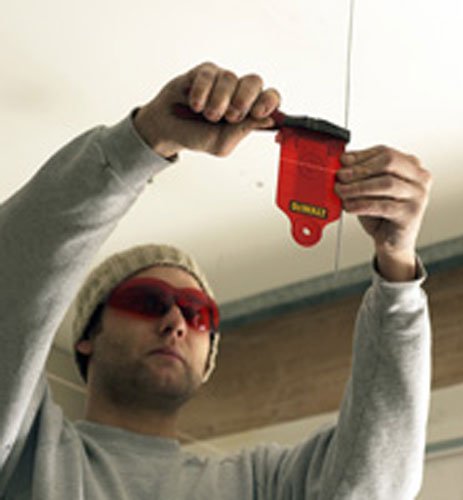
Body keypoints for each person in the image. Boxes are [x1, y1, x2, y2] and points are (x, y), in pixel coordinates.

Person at [0, 62, 432, 499]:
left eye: (198, 314)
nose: (176, 323)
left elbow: (373, 485)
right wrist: (145, 137)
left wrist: (397, 270)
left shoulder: (259, 485)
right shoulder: (25, 453)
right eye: (148, 301)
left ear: (209, 359)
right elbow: (15, 278)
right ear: (86, 336)